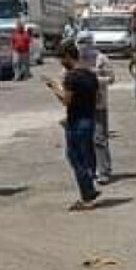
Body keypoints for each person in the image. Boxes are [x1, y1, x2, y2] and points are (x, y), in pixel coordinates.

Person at [46, 41, 101, 211]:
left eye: (62, 59)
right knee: (85, 155)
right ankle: (89, 186)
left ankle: (87, 194)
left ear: (69, 56)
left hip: (76, 121)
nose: (61, 62)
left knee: (75, 158)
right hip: (89, 118)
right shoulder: (91, 74)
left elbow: (66, 100)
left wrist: (54, 87)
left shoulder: (72, 76)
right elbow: (97, 98)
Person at [80, 37, 116, 185]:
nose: (83, 46)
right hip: (82, 104)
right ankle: (91, 168)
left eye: (85, 42)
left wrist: (95, 77)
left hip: (99, 103)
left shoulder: (101, 59)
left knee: (99, 138)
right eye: (80, 42)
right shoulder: (78, 58)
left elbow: (111, 78)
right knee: (85, 139)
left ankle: (104, 171)